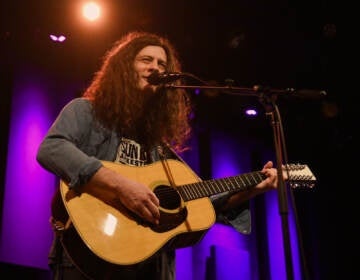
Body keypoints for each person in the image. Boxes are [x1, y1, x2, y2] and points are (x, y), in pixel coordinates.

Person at [36, 31, 279, 280]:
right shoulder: (86, 111)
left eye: (162, 64)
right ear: (124, 68)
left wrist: (252, 187)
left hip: (148, 266)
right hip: (87, 256)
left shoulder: (158, 147)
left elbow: (201, 201)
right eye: (146, 60)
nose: (155, 68)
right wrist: (121, 186)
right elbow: (52, 149)